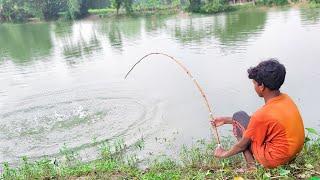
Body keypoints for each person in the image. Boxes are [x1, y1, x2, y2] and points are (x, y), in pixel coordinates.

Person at [212, 59, 305, 169]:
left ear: (261, 86)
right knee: (240, 117)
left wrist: (223, 153)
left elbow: (241, 146)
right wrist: (226, 120)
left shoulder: (261, 115)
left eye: (254, 83)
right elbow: (262, 121)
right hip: (293, 153)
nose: (254, 87)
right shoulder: (286, 99)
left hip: (275, 160)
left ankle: (251, 167)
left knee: (240, 121)